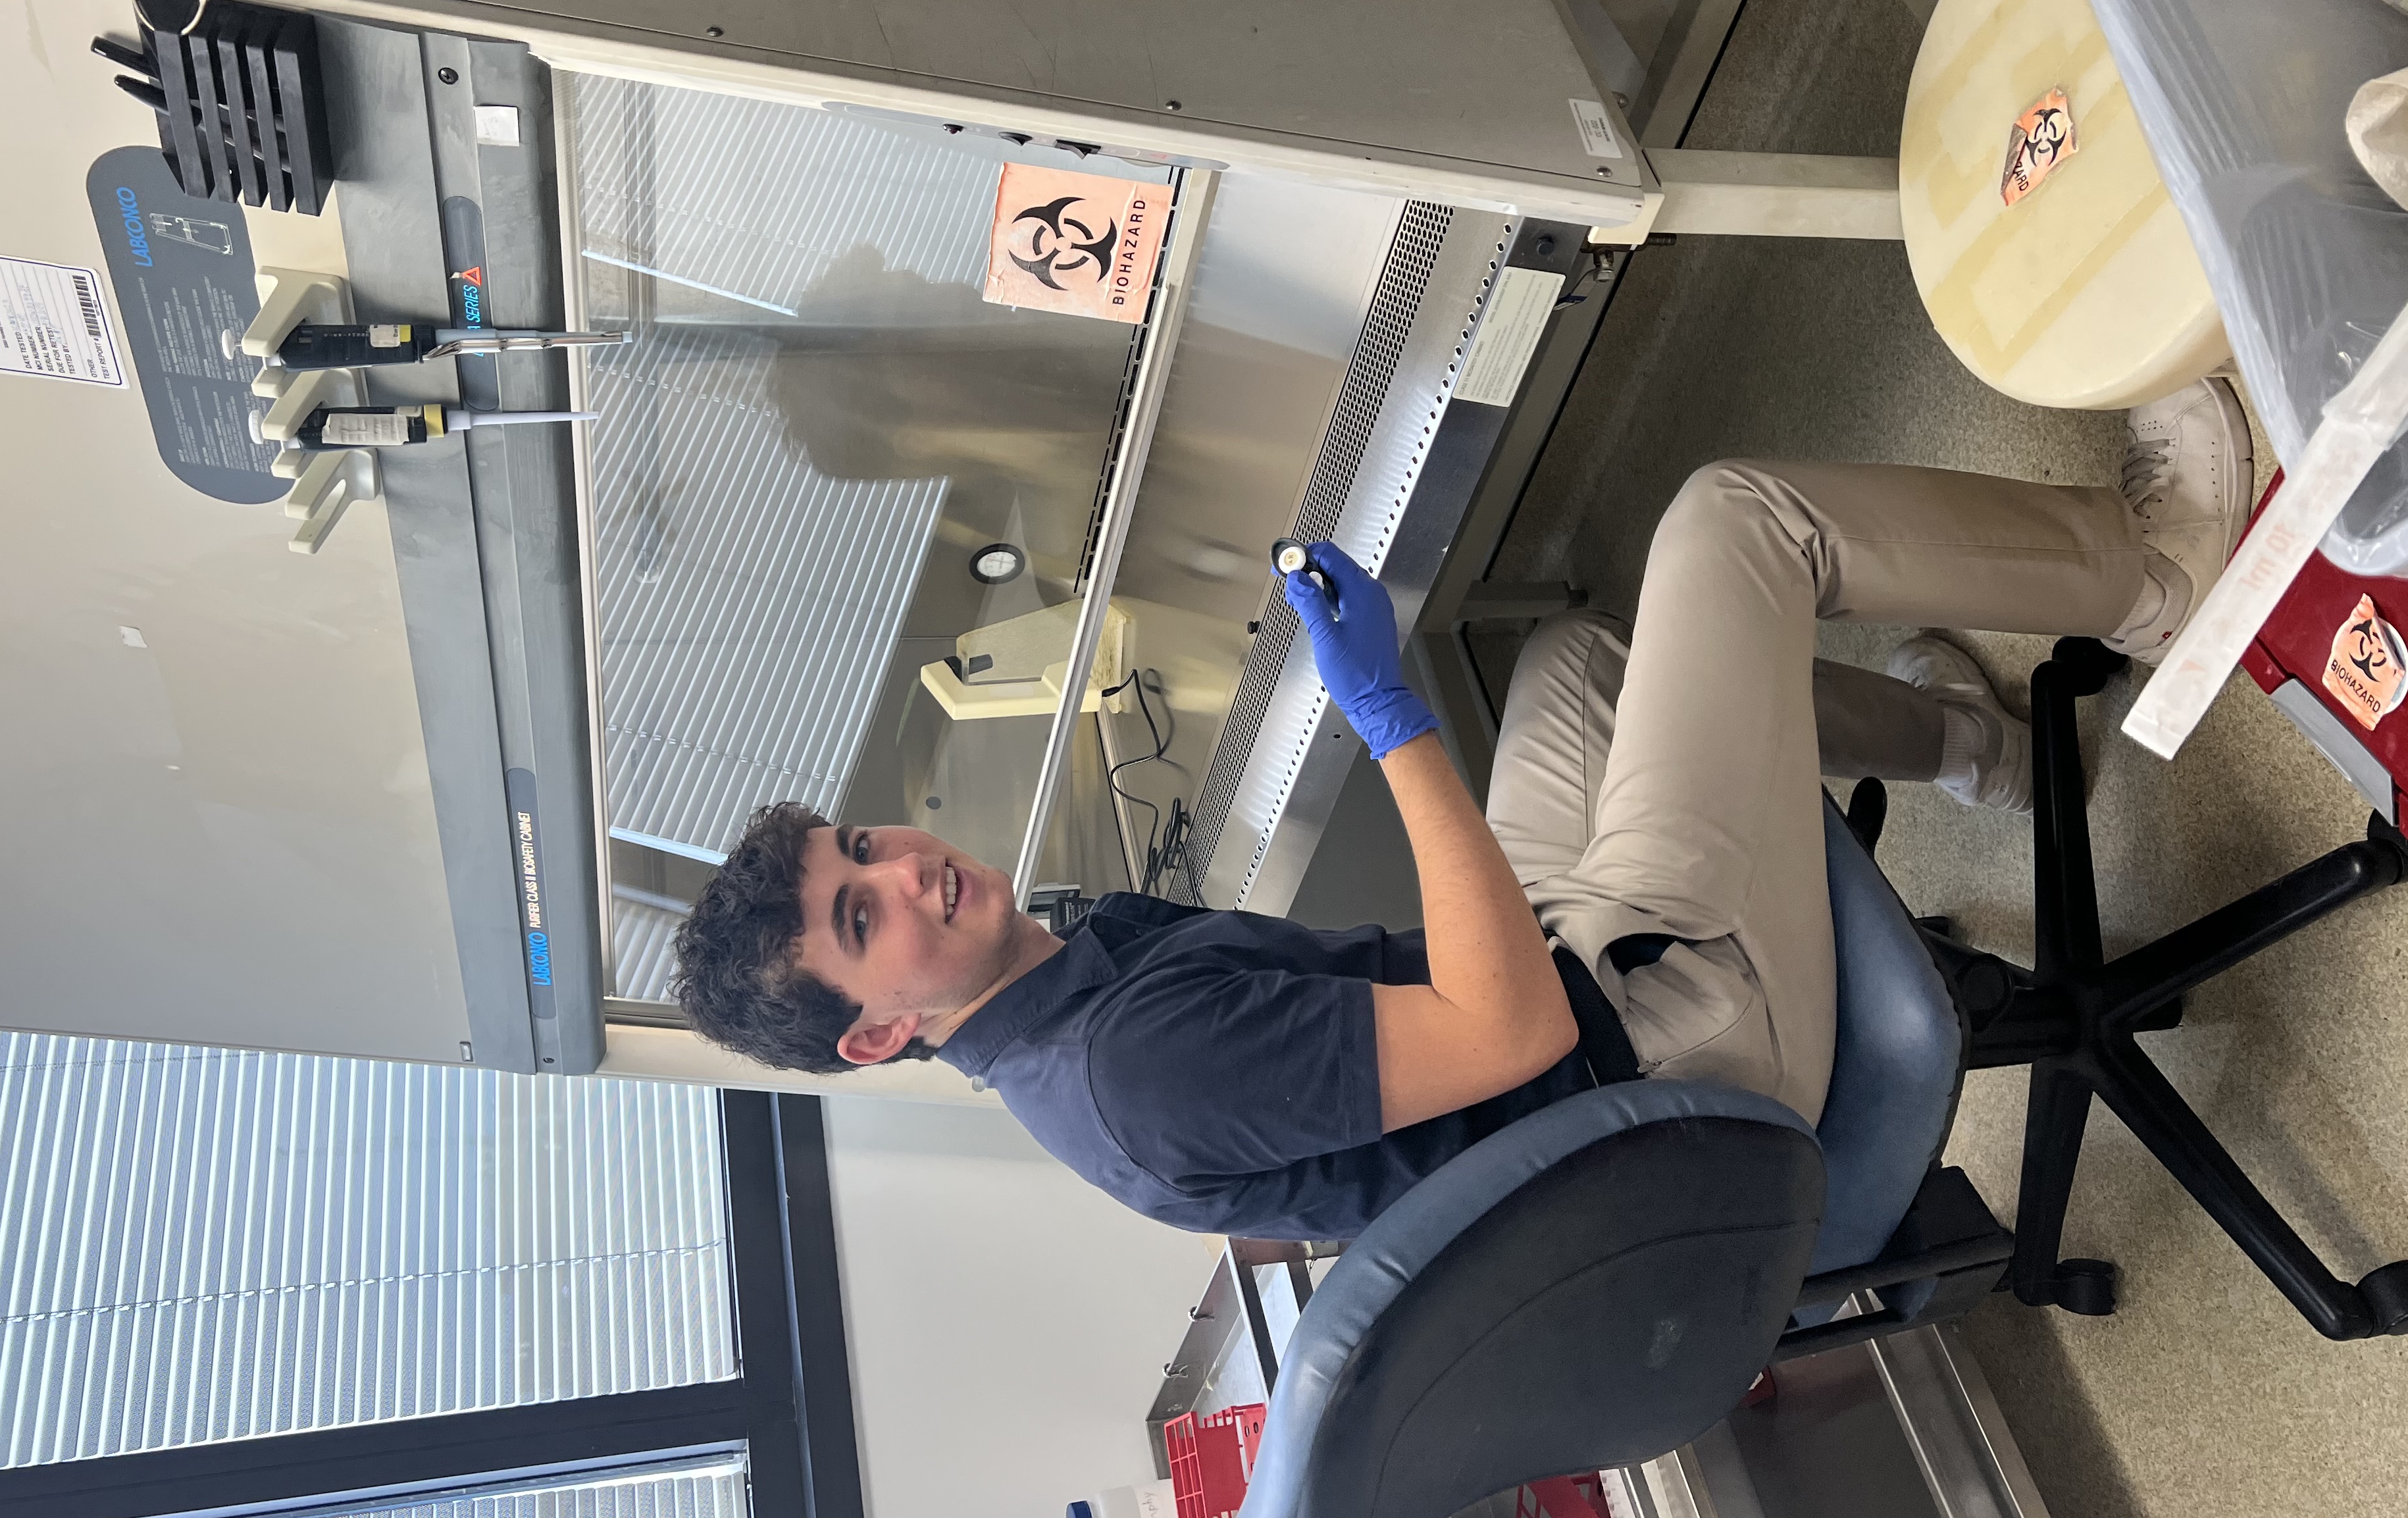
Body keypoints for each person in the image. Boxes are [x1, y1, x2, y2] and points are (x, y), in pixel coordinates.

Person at [671, 379, 2254, 1239]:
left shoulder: (1060, 973)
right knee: (1737, 521)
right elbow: (1499, 1037)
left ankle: (1966, 743)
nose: (907, 868)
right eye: (862, 917)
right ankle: (2156, 568)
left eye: (863, 848)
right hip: (1671, 1056)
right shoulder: (1131, 1070)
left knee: (1576, 662)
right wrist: (1389, 716)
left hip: (1564, 990)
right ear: (878, 1034)